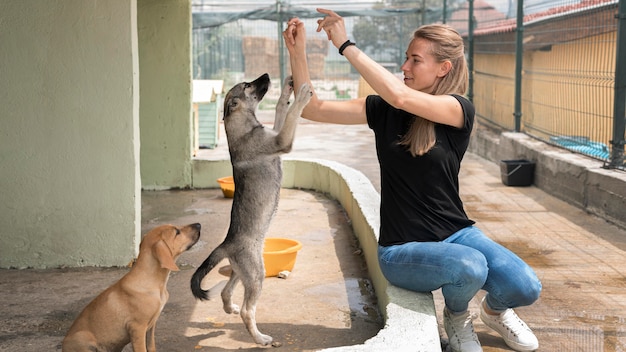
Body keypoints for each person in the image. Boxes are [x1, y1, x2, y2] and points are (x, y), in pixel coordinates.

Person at [282, 8, 542, 352]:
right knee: (470, 266)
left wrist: (345, 44)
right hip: (401, 249)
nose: (404, 67)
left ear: (443, 68)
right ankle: (458, 317)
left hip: (457, 233)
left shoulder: (458, 109)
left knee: (526, 285)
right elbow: (313, 108)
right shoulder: (384, 109)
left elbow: (401, 96)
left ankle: (494, 311)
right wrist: (297, 54)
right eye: (406, 58)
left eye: (414, 60)